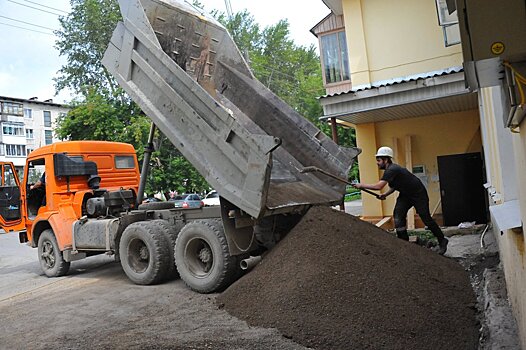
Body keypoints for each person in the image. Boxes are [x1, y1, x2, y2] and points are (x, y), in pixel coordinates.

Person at [353, 146, 448, 255]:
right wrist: (385, 194)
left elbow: (378, 186)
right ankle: (404, 243)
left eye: (379, 160)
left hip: (418, 194)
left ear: (386, 160)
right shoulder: (390, 171)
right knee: (398, 215)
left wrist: (361, 185)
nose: (377, 163)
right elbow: (394, 186)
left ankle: (442, 241)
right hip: (405, 195)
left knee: (426, 218)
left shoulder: (392, 169)